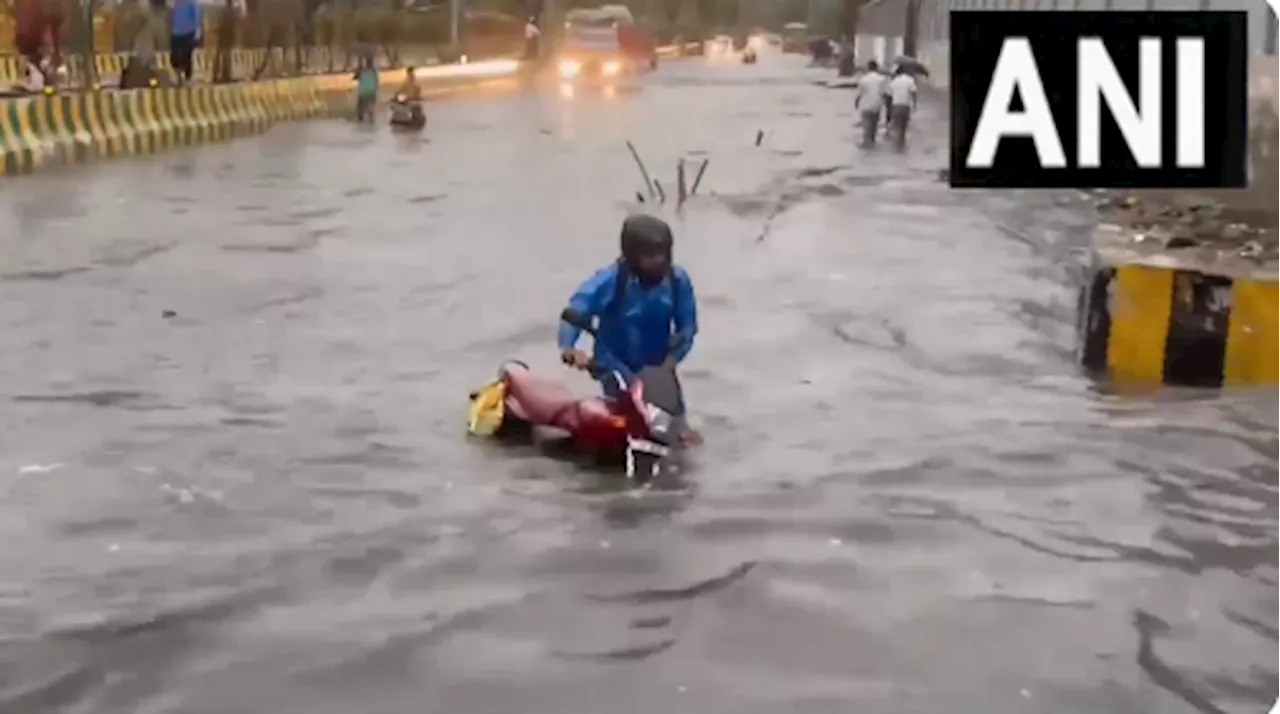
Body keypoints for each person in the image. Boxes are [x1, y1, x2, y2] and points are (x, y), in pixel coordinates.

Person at [558, 214, 698, 399]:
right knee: (626, 417)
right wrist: (569, 348)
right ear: (632, 255)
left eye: (662, 254)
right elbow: (577, 308)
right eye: (650, 256)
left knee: (673, 420)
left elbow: (687, 327)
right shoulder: (611, 280)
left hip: (659, 371)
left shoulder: (677, 281)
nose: (658, 260)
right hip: (613, 369)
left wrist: (671, 361)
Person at [855, 60, 888, 148]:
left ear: (868, 68)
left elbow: (859, 94)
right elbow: (885, 93)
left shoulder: (864, 79)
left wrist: (856, 103)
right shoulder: (882, 79)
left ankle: (866, 145)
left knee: (866, 127)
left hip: (866, 105)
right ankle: (872, 143)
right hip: (877, 105)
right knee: (874, 126)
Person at [169, 0, 203, 84]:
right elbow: (171, 16)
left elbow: (197, 14)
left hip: (188, 32)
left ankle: (188, 77)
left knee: (186, 55)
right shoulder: (174, 3)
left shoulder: (191, 2)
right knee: (174, 56)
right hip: (175, 33)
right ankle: (178, 76)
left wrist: (197, 29)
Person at [887, 65, 918, 150]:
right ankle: (902, 144)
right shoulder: (910, 80)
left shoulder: (894, 81)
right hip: (905, 106)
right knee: (904, 126)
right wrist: (915, 104)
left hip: (896, 105)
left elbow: (889, 95)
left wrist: (889, 109)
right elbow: (914, 93)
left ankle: (897, 145)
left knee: (896, 126)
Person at [352, 56, 378, 122]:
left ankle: (362, 118)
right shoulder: (374, 71)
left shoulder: (361, 71)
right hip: (371, 92)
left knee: (360, 110)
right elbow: (376, 82)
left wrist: (358, 68)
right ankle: (370, 117)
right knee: (370, 110)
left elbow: (354, 78)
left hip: (363, 93)